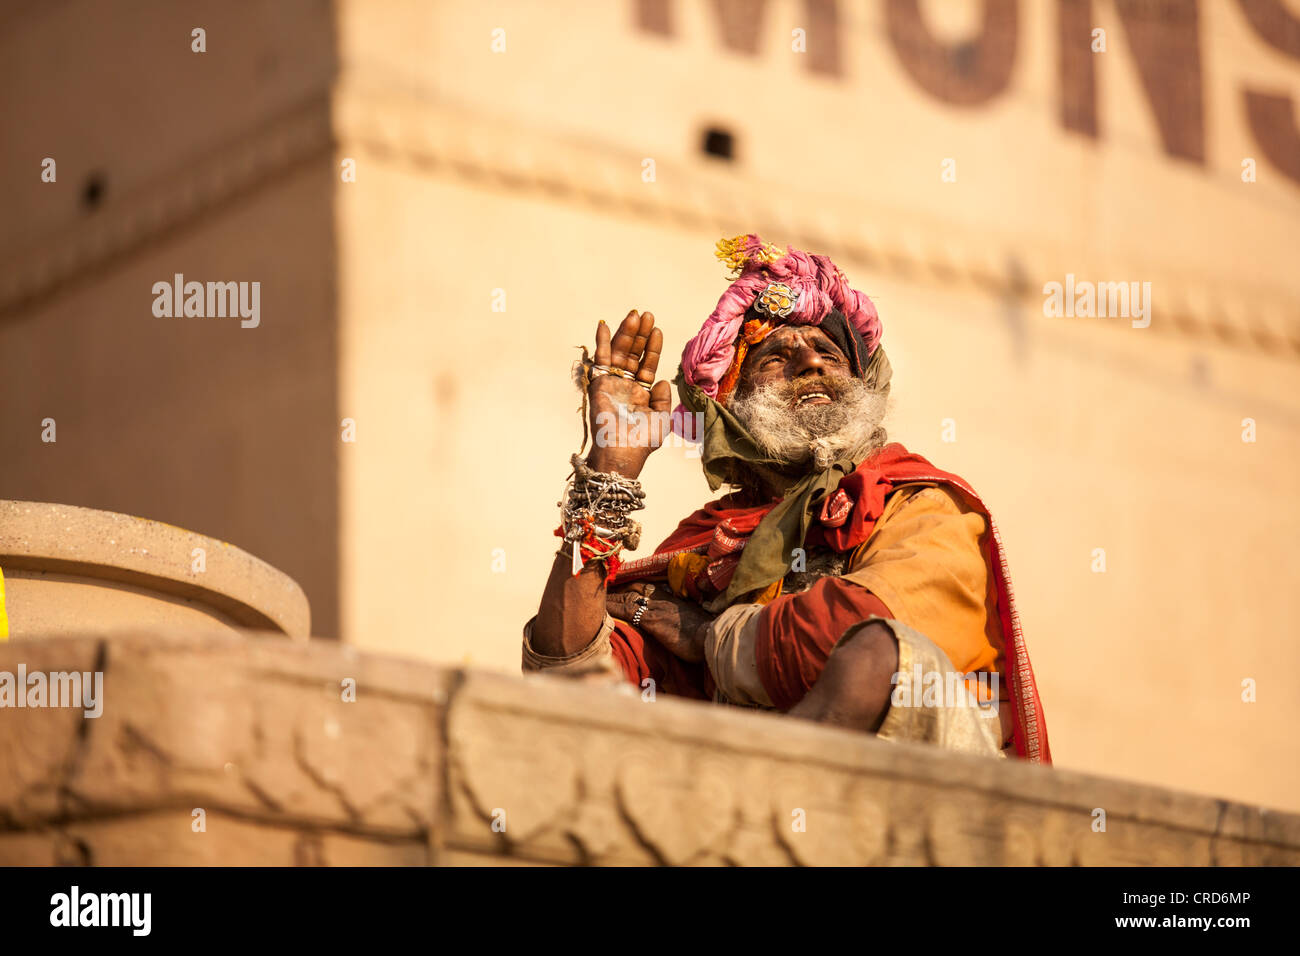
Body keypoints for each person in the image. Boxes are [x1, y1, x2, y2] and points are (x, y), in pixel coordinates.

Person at [524, 235, 1050, 762]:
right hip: (742, 810)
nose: (811, 364)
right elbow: (569, 676)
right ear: (733, 403)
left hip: (918, 798)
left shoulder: (919, 501)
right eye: (777, 356)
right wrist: (609, 470)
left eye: (828, 352)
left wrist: (707, 636)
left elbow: (853, 638)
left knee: (878, 653)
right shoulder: (708, 545)